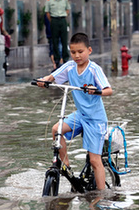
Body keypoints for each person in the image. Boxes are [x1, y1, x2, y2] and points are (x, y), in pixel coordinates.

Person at [37, 32, 113, 191]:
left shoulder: (94, 69)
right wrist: (43, 81)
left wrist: (97, 91)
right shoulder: (70, 66)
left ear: (89, 50)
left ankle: (101, 196)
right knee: (56, 130)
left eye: (80, 52)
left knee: (94, 160)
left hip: (95, 119)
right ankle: (67, 167)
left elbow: (108, 90)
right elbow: (51, 77)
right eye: (73, 52)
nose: (77, 56)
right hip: (80, 115)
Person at [45, 0, 70, 68]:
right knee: (55, 41)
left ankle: (66, 58)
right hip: (54, 20)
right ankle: (57, 59)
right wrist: (52, 20)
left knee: (64, 40)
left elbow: (67, 10)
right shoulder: (50, 0)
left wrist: (63, 17)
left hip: (62, 20)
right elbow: (47, 12)